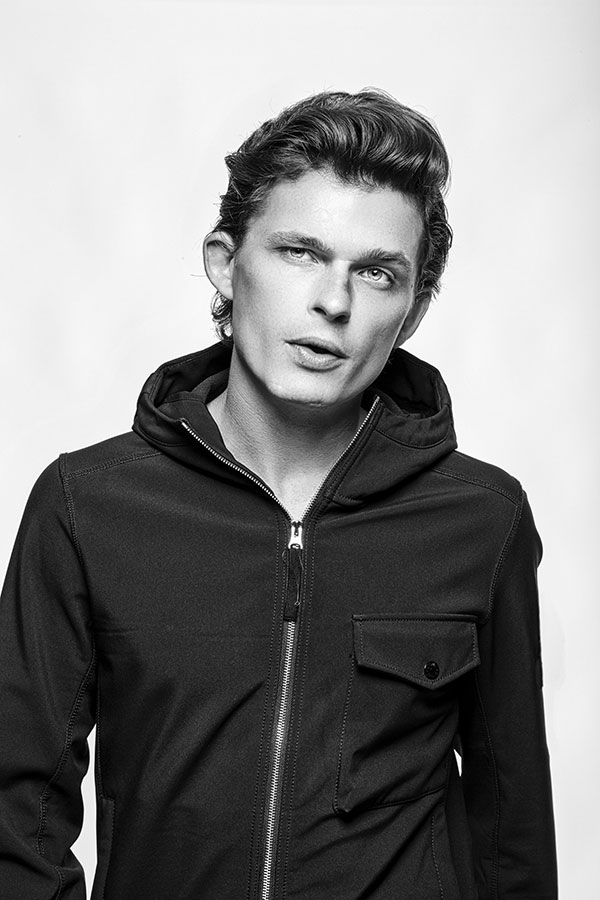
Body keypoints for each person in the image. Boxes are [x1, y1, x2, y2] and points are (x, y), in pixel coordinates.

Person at [0, 90, 557, 899]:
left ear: (412, 311)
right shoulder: (87, 507)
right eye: (300, 252)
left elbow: (514, 831)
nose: (334, 302)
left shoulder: (481, 520)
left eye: (376, 272)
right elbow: (17, 815)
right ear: (226, 264)